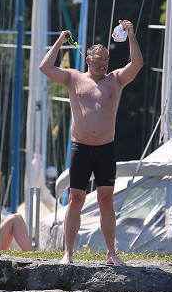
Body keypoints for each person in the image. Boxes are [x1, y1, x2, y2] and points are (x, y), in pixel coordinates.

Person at [39, 19, 143, 265]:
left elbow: (137, 64)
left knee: (106, 200)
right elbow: (45, 67)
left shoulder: (115, 79)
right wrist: (60, 41)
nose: (103, 63)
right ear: (88, 60)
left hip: (106, 148)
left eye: (106, 59)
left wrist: (130, 35)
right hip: (81, 147)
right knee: (76, 199)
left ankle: (111, 253)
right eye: (99, 59)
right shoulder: (74, 78)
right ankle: (68, 253)